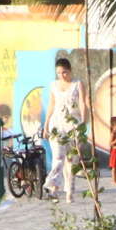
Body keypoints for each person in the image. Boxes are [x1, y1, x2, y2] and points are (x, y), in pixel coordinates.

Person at [44, 57, 84, 200]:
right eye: (59, 73)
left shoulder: (77, 84)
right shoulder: (53, 85)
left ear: (70, 70)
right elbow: (51, 105)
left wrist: (83, 124)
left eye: (64, 72)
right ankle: (53, 187)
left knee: (71, 161)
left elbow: (83, 103)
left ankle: (69, 192)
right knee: (58, 157)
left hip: (73, 126)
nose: (62, 75)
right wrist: (46, 124)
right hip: (56, 125)